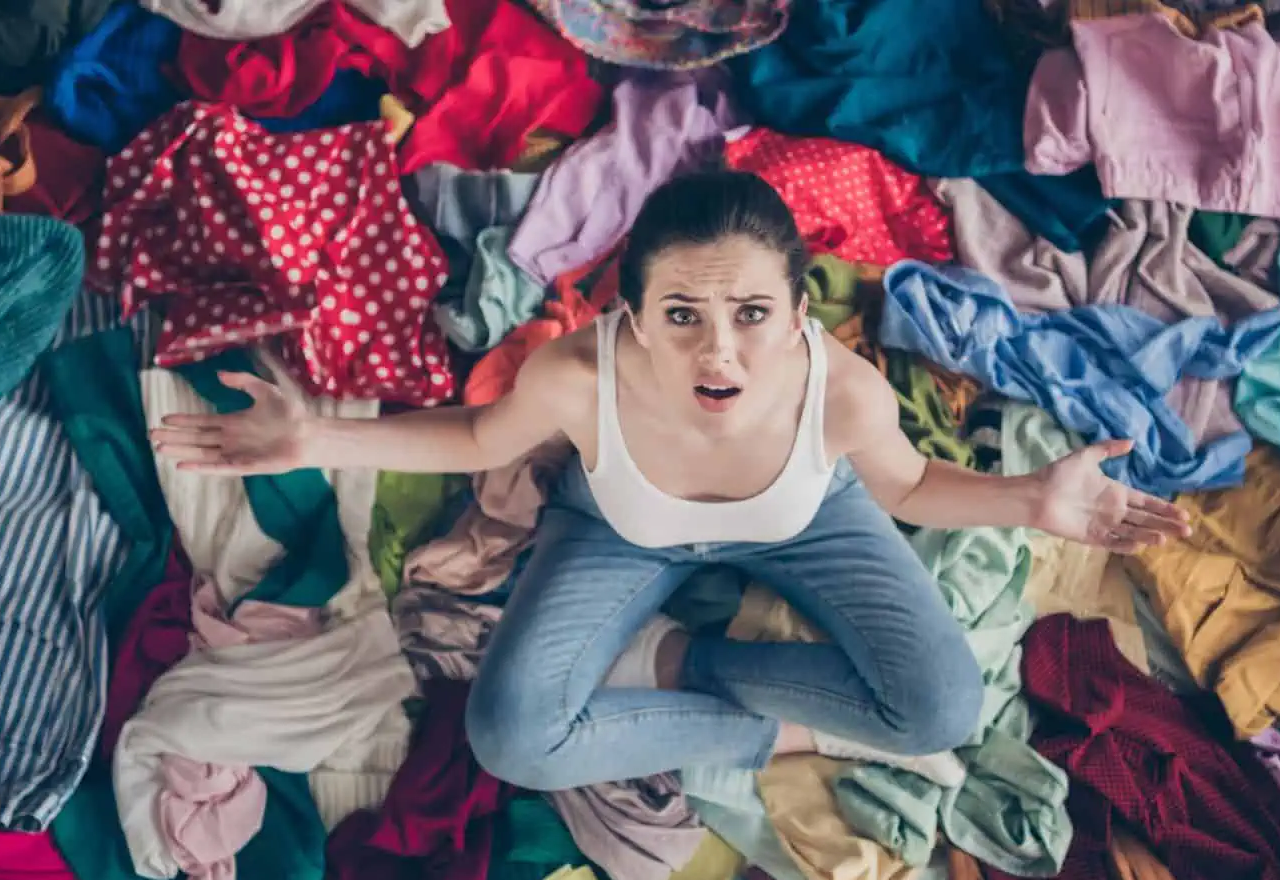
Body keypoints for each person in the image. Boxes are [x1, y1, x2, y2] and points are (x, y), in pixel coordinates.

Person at [150, 170, 1190, 791]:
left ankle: (682, 655)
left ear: (796, 315)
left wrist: (1031, 502)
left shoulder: (842, 391)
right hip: (617, 530)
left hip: (805, 522)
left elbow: (910, 487)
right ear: (632, 318)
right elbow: (473, 438)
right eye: (681, 315)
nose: (718, 354)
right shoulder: (573, 374)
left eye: (750, 314)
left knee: (941, 708)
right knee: (510, 736)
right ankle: (747, 717)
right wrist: (319, 438)